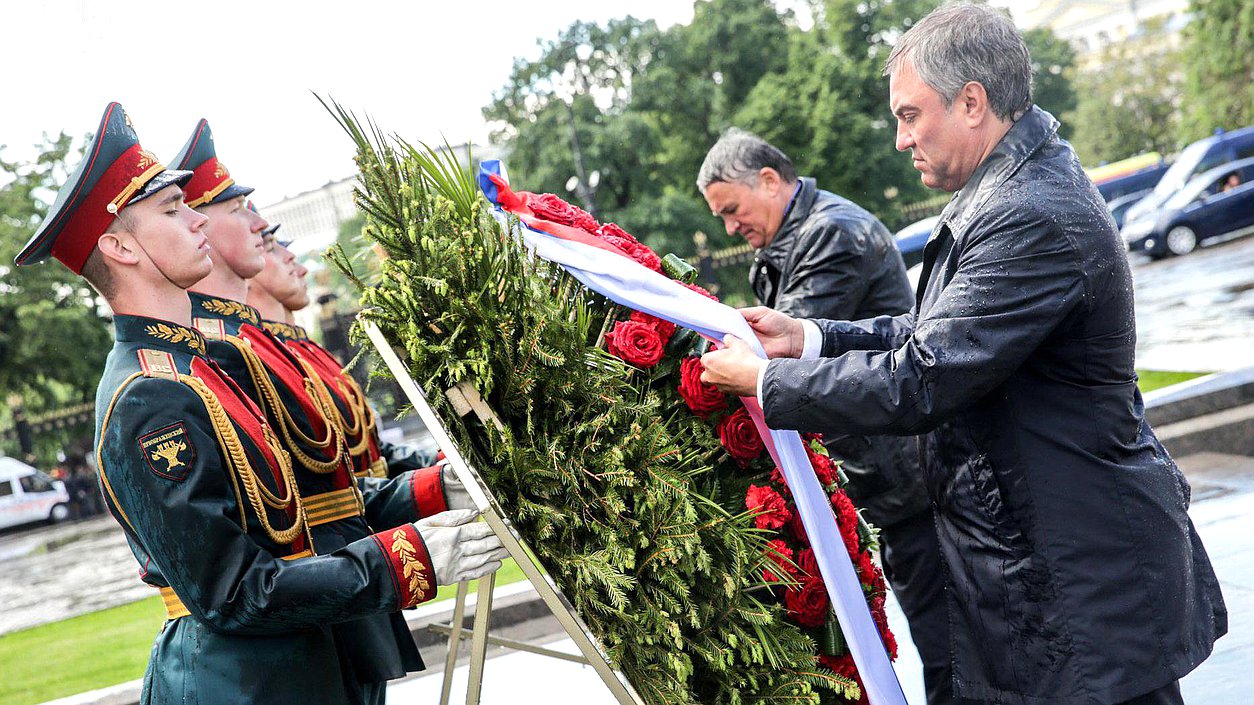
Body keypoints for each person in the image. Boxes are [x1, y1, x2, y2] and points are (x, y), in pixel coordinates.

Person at [698, 5, 1226, 705]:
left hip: (1084, 580)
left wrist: (768, 381)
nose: (899, 138)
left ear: (972, 101)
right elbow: (930, 332)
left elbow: (923, 377)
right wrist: (808, 337)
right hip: (1057, 568)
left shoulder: (1026, 211)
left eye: (911, 115)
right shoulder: (1006, 187)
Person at [14, 102, 507, 704]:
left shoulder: (193, 368)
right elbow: (232, 592)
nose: (196, 220)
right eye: (173, 209)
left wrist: (431, 494)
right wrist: (404, 558)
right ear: (119, 248)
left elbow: (310, 505)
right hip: (247, 684)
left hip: (298, 666)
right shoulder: (149, 398)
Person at [167, 119, 470, 701]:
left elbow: (343, 467)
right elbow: (279, 519)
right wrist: (411, 521)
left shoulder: (260, 346)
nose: (262, 230)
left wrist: (433, 483)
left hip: (339, 575)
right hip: (315, 594)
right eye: (238, 210)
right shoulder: (219, 357)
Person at [697, 130, 950, 703]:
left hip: (909, 476)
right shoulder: (795, 236)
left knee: (948, 644)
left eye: (733, 210)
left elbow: (784, 352)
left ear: (768, 179)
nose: (730, 229)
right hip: (892, 467)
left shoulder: (831, 233)